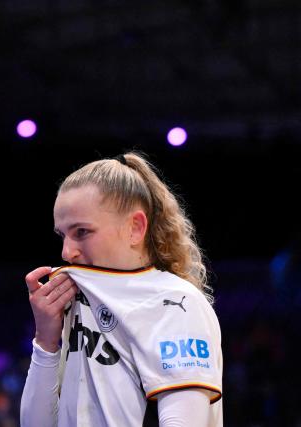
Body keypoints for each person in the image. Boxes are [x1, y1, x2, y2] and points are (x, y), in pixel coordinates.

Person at [20, 152, 223, 426]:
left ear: (135, 228)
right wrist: (45, 340)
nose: (67, 252)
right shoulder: (78, 299)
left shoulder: (177, 304)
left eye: (81, 232)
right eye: (62, 235)